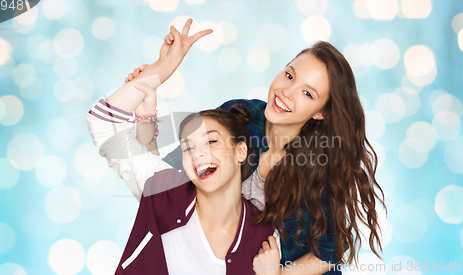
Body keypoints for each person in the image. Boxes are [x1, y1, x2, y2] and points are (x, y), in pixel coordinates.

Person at [127, 19, 386, 274]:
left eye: (308, 93)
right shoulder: (240, 116)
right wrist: (151, 98)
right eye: (289, 75)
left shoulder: (319, 166)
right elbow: (162, 181)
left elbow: (328, 254)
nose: (287, 92)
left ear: (321, 113)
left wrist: (276, 274)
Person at [85, 23, 278, 274]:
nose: (198, 153)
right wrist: (162, 68)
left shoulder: (264, 237)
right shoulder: (163, 190)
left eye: (211, 141)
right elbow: (103, 122)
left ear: (240, 151)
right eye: (188, 147)